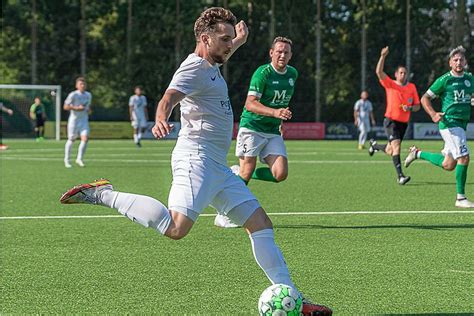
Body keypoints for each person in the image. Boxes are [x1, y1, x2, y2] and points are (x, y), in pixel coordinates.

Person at [59, 7, 332, 315]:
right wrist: (161, 117)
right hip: (196, 160)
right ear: (205, 38)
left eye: (231, 39)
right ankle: (103, 193)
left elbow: (222, 51)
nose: (229, 45)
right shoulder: (193, 67)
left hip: (217, 165)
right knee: (176, 228)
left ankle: (295, 298)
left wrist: (238, 40)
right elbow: (169, 96)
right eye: (224, 39)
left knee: (260, 224)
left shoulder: (212, 60)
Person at [214, 36, 297, 229]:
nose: (282, 55)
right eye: (279, 51)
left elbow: (281, 101)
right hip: (252, 127)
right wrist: (276, 112)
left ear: (291, 55)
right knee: (247, 172)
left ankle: (236, 173)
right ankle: (224, 213)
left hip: (272, 130)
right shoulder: (263, 73)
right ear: (271, 53)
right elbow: (250, 104)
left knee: (280, 174)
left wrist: (279, 119)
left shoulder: (292, 74)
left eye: (286, 52)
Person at [404, 46, 474, 208]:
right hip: (450, 123)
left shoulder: (470, 78)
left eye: (461, 59)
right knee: (464, 157)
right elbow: (424, 98)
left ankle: (417, 153)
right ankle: (460, 198)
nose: (458, 62)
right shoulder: (444, 80)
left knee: (449, 164)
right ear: (450, 63)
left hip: (461, 125)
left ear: (465, 62)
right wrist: (433, 114)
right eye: (455, 60)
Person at [369, 46, 420, 185]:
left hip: (403, 123)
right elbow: (379, 72)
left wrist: (409, 107)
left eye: (405, 73)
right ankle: (400, 176)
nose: (403, 75)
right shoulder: (390, 84)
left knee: (391, 150)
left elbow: (417, 106)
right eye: (401, 73)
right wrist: (383, 56)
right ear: (396, 74)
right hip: (391, 121)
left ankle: (374, 146)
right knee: (396, 147)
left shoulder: (412, 87)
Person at [63, 77, 92, 168]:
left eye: (84, 84)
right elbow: (65, 107)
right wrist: (76, 108)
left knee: (85, 139)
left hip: (84, 120)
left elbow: (88, 107)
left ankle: (79, 159)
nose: (82, 86)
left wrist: (88, 110)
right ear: (76, 86)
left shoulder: (88, 95)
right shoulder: (73, 95)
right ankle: (67, 160)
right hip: (74, 120)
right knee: (71, 139)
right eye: (80, 84)